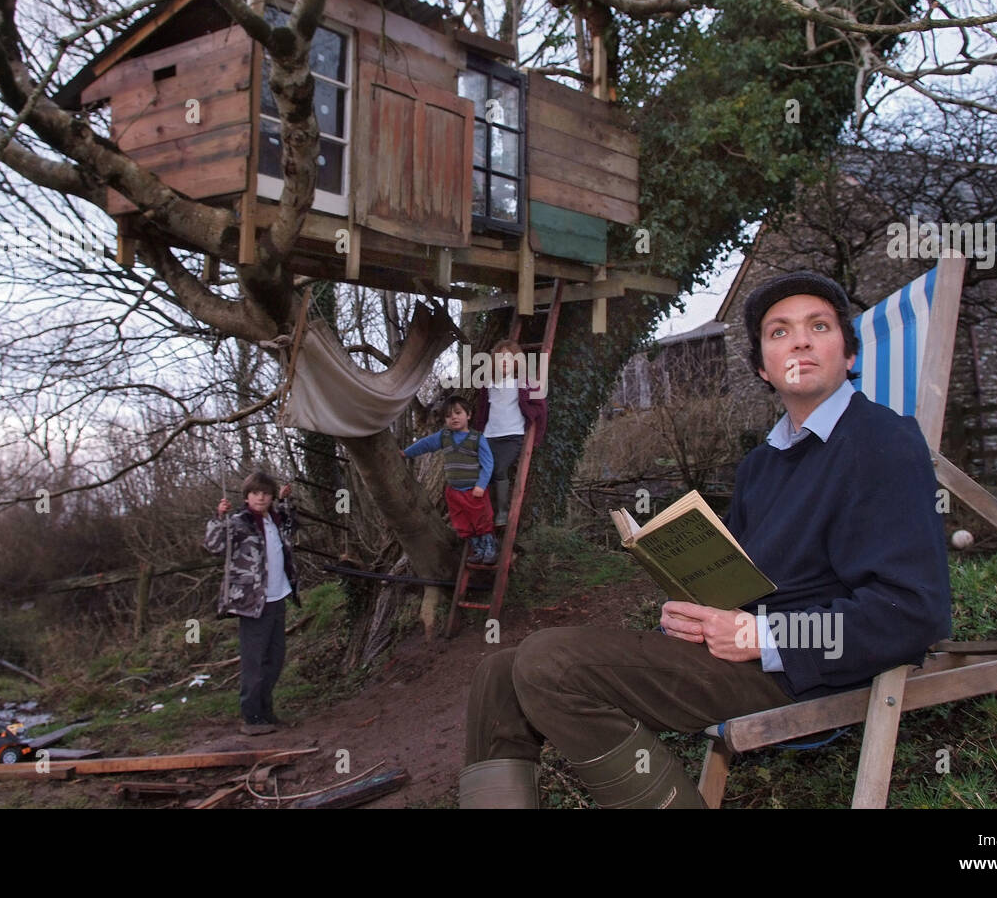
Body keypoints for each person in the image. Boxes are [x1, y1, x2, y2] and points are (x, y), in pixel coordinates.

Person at [459, 270, 952, 808]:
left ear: (849, 355)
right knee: (497, 671)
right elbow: (737, 577)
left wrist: (761, 637)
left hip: (809, 671)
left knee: (546, 663)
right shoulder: (762, 464)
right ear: (764, 368)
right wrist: (693, 608)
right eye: (779, 331)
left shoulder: (882, 442)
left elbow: (911, 613)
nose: (801, 340)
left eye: (819, 326)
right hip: (740, 655)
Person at [204, 470, 301, 736]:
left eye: (266, 494)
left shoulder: (276, 519)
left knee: (275, 659)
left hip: (278, 595)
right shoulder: (238, 522)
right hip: (252, 601)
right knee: (254, 662)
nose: (261, 498)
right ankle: (252, 717)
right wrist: (218, 518)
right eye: (256, 493)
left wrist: (285, 501)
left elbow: (293, 527)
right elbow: (213, 546)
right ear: (247, 496)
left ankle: (266, 712)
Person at [402, 395, 499, 565]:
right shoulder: (444, 436)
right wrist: (406, 452)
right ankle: (477, 549)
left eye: (458, 413)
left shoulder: (477, 438)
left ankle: (489, 547)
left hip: (474, 490)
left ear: (468, 415)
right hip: (454, 491)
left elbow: (488, 463)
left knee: (481, 519)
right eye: (448, 415)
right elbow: (425, 444)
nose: (453, 417)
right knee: (463, 521)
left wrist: (481, 485)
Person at [471, 339, 548, 527]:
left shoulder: (524, 383)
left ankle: (502, 512)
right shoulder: (488, 384)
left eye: (509, 357)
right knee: (483, 474)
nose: (504, 361)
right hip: (489, 436)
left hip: (512, 435)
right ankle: (486, 513)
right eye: (500, 357)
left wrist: (535, 428)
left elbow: (541, 409)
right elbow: (482, 412)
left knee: (499, 470)